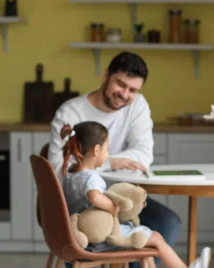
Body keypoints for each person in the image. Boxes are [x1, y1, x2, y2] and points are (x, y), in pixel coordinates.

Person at [48, 51, 182, 268]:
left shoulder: (136, 105)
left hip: (120, 198)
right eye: (120, 84)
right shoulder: (71, 113)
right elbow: (59, 170)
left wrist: (103, 160)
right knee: (147, 231)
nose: (125, 94)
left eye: (133, 90)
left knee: (169, 223)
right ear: (105, 76)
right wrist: (111, 162)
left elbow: (143, 155)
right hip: (81, 206)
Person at [59, 121, 211, 268]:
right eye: (107, 149)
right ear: (96, 150)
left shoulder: (70, 174)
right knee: (156, 238)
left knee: (146, 247)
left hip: (81, 233)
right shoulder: (91, 178)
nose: (107, 154)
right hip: (101, 236)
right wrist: (113, 208)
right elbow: (95, 197)